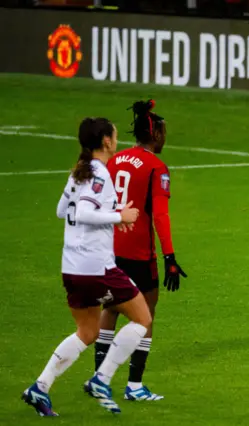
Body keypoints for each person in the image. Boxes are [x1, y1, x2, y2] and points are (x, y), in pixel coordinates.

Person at [21, 117, 152, 417]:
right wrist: (120, 217)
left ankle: (40, 387)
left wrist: (114, 210)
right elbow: (82, 211)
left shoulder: (78, 172)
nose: (117, 140)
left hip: (71, 267)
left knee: (88, 330)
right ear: (106, 141)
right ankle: (101, 380)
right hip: (95, 267)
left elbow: (61, 210)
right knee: (142, 319)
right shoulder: (99, 173)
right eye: (115, 136)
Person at [93, 100, 186, 402]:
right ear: (156, 135)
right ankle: (134, 386)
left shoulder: (115, 160)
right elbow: (160, 215)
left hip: (109, 248)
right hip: (139, 254)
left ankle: (99, 378)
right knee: (145, 316)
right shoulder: (156, 167)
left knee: (110, 308)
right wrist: (169, 257)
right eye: (163, 133)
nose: (165, 138)